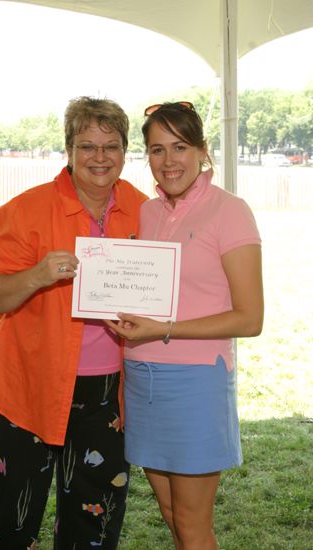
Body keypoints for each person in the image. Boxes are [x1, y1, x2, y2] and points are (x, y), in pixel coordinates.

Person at [0, 96, 147, 549]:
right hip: (24, 389)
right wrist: (37, 275)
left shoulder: (145, 211)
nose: (100, 158)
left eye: (111, 146)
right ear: (68, 150)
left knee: (93, 529)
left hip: (105, 397)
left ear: (126, 151)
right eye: (87, 146)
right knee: (6, 524)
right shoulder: (30, 209)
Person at [106, 101, 264, 550]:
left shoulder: (229, 211)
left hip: (196, 381)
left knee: (194, 525)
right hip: (142, 378)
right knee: (172, 514)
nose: (168, 161)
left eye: (179, 146)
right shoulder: (149, 213)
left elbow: (250, 318)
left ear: (202, 150)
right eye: (157, 150)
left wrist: (164, 329)